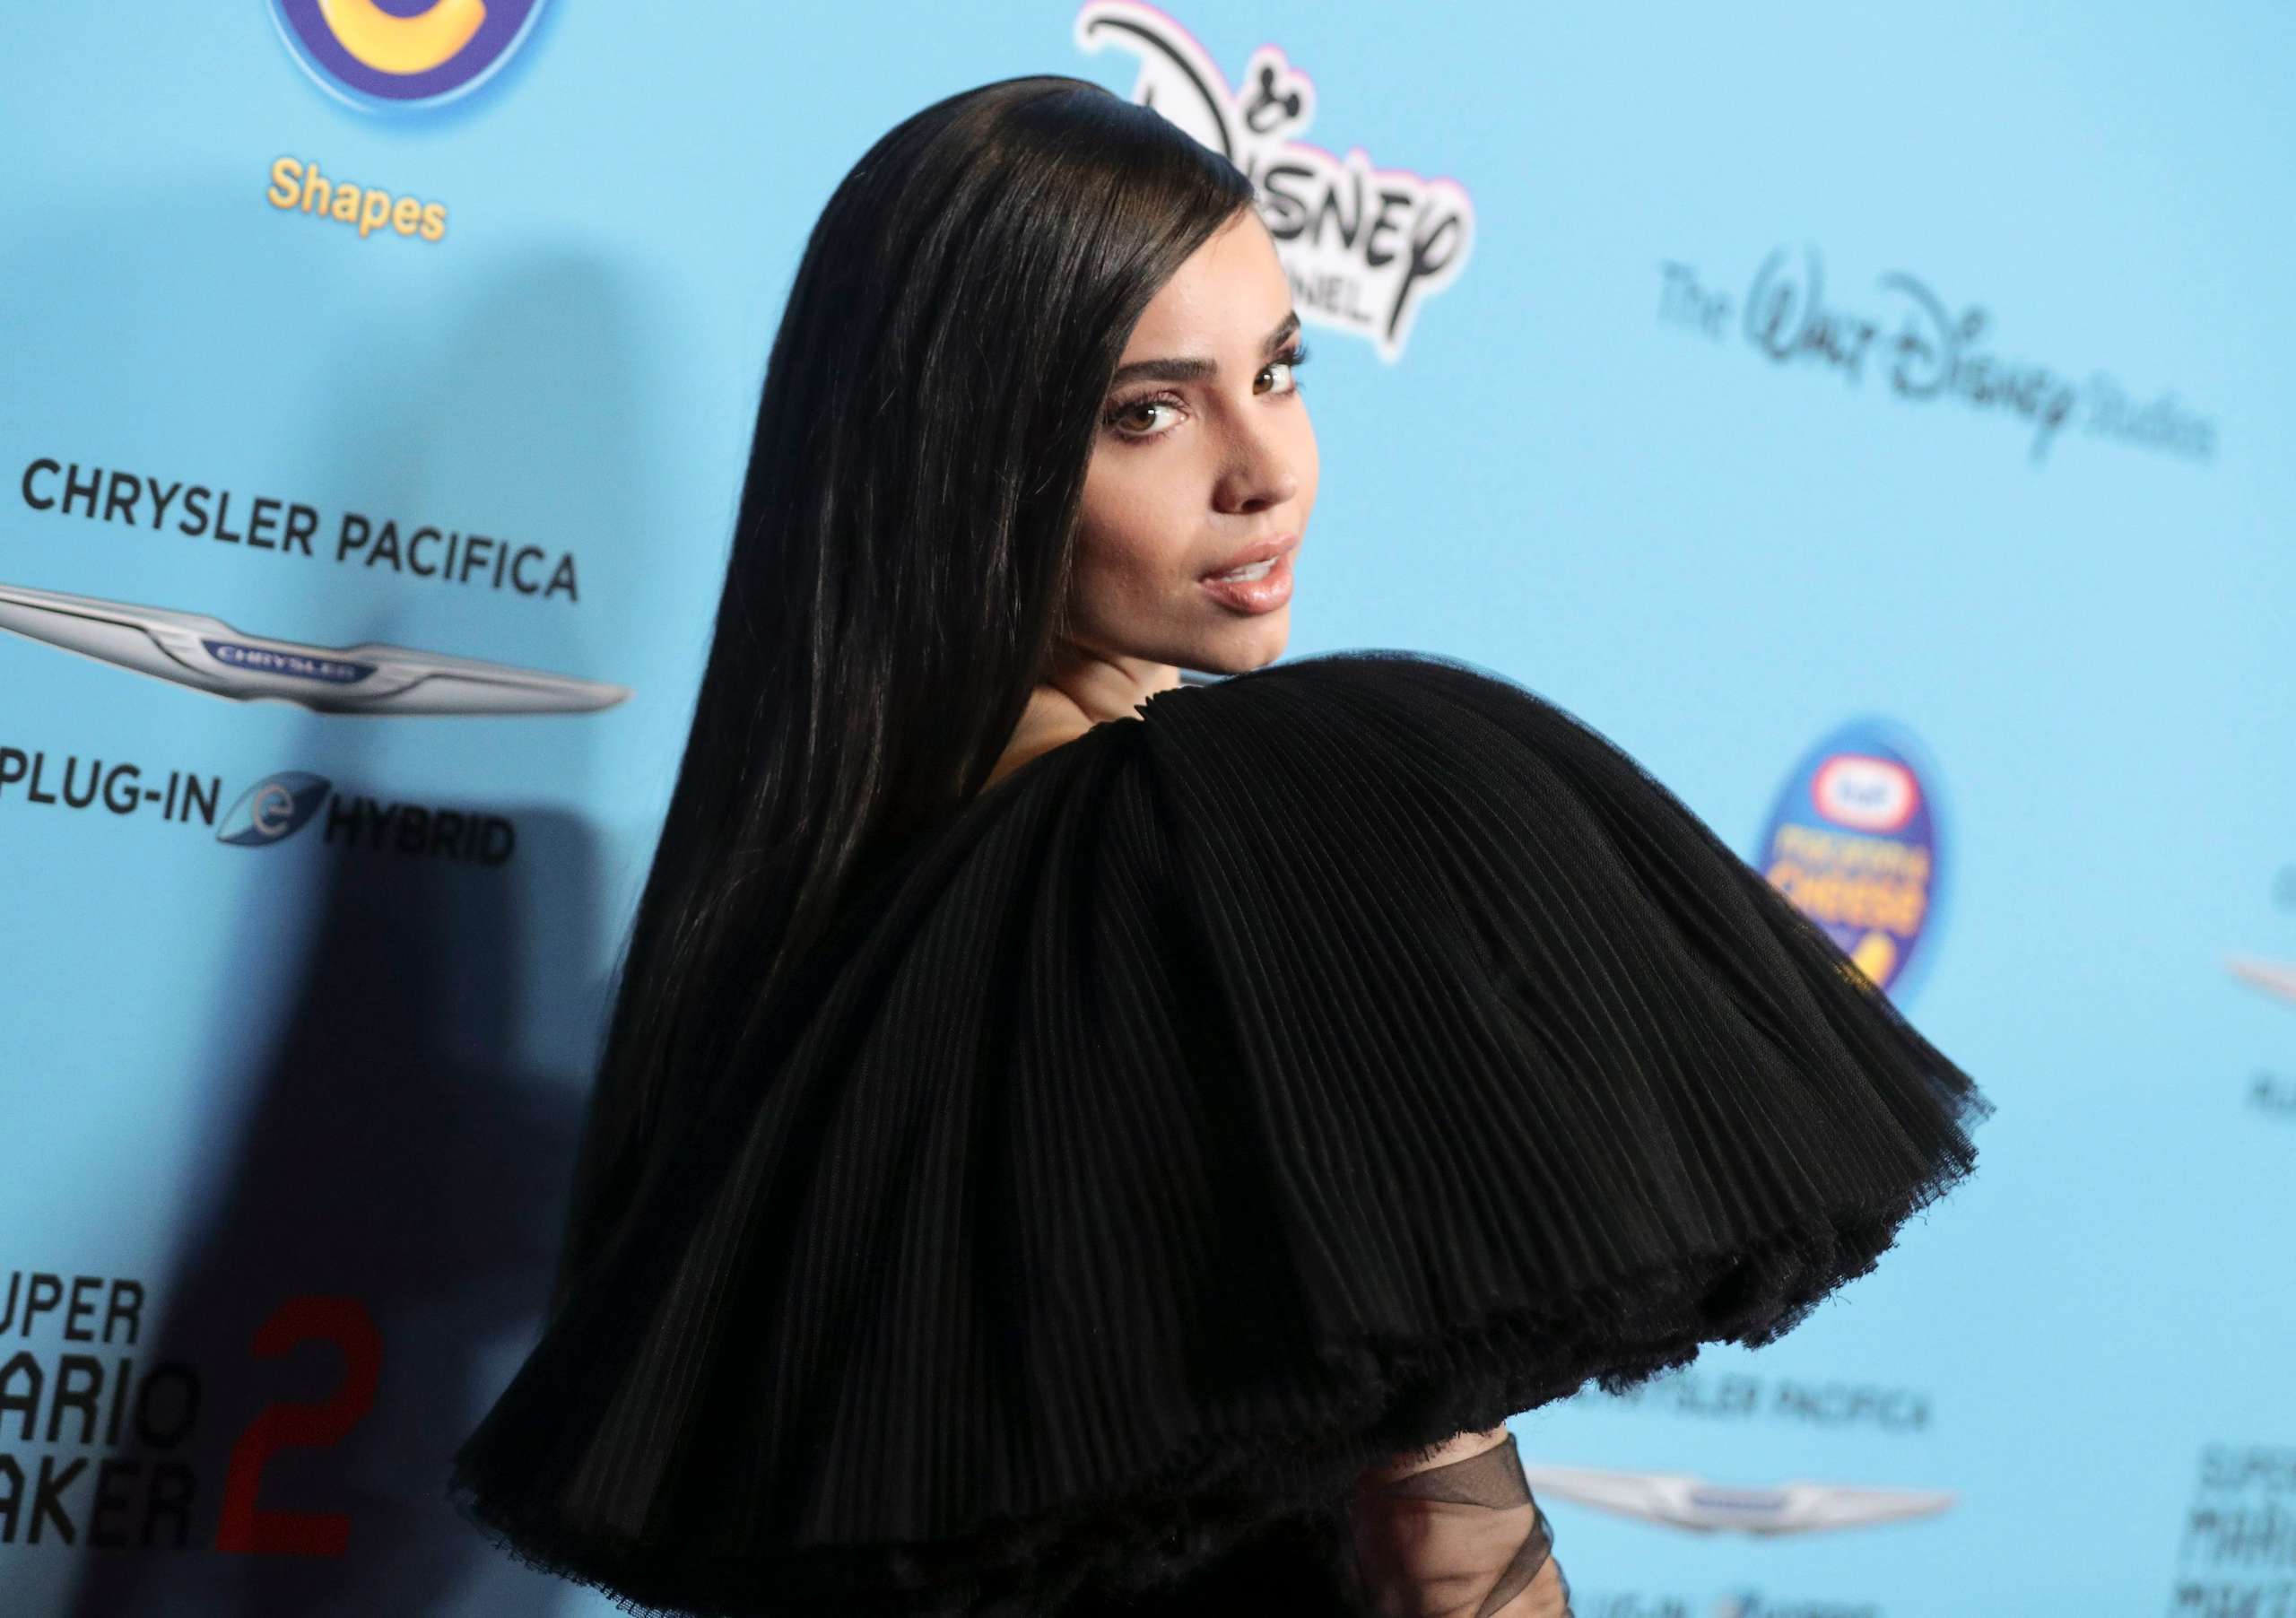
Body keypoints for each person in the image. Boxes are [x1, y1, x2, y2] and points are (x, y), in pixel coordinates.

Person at [447, 74, 1993, 1618]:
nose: (1267, 471)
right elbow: (1450, 1563)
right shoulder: (1237, 841)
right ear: (962, 450)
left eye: (1280, 370)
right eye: (1149, 411)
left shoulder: (800, 933)